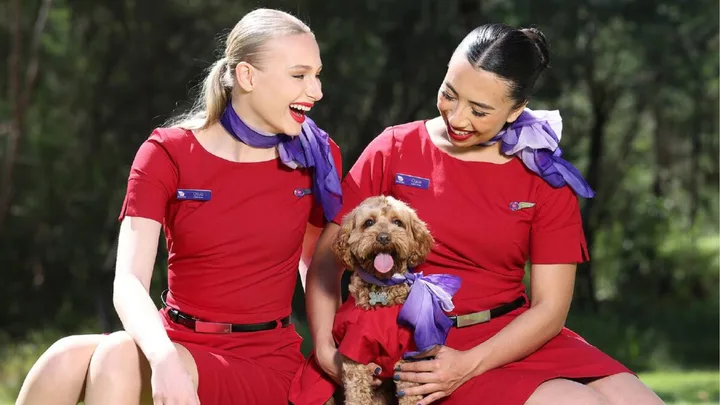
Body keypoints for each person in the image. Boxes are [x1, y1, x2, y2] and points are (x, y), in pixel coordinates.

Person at [293, 24, 666, 405]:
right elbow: (325, 259)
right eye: (449, 95)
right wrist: (326, 349)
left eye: (480, 110)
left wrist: (469, 365)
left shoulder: (544, 174)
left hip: (513, 336)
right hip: (424, 342)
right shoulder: (395, 147)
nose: (457, 117)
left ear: (516, 110)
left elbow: (550, 309)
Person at [15, 7, 342, 405]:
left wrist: (330, 349)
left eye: (317, 74)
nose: (317, 91)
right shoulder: (166, 153)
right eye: (299, 75)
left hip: (263, 357)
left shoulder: (317, 158)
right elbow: (129, 282)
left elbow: (318, 265)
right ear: (247, 77)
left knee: (117, 356)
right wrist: (165, 358)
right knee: (61, 360)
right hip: (175, 336)